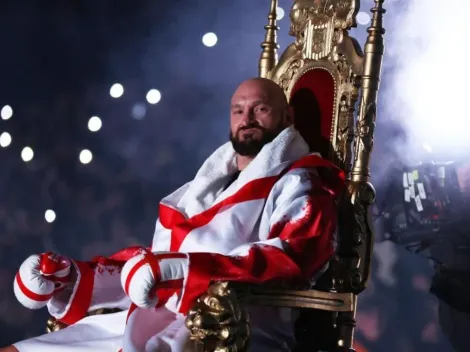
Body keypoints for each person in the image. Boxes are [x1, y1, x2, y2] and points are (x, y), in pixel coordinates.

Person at [2, 77, 344, 352]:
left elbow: (296, 257)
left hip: (230, 322)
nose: (247, 119)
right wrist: (76, 277)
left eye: (260, 109)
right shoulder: (203, 187)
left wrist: (184, 271)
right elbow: (153, 267)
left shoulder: (300, 182)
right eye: (238, 110)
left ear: (287, 118)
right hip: (157, 313)